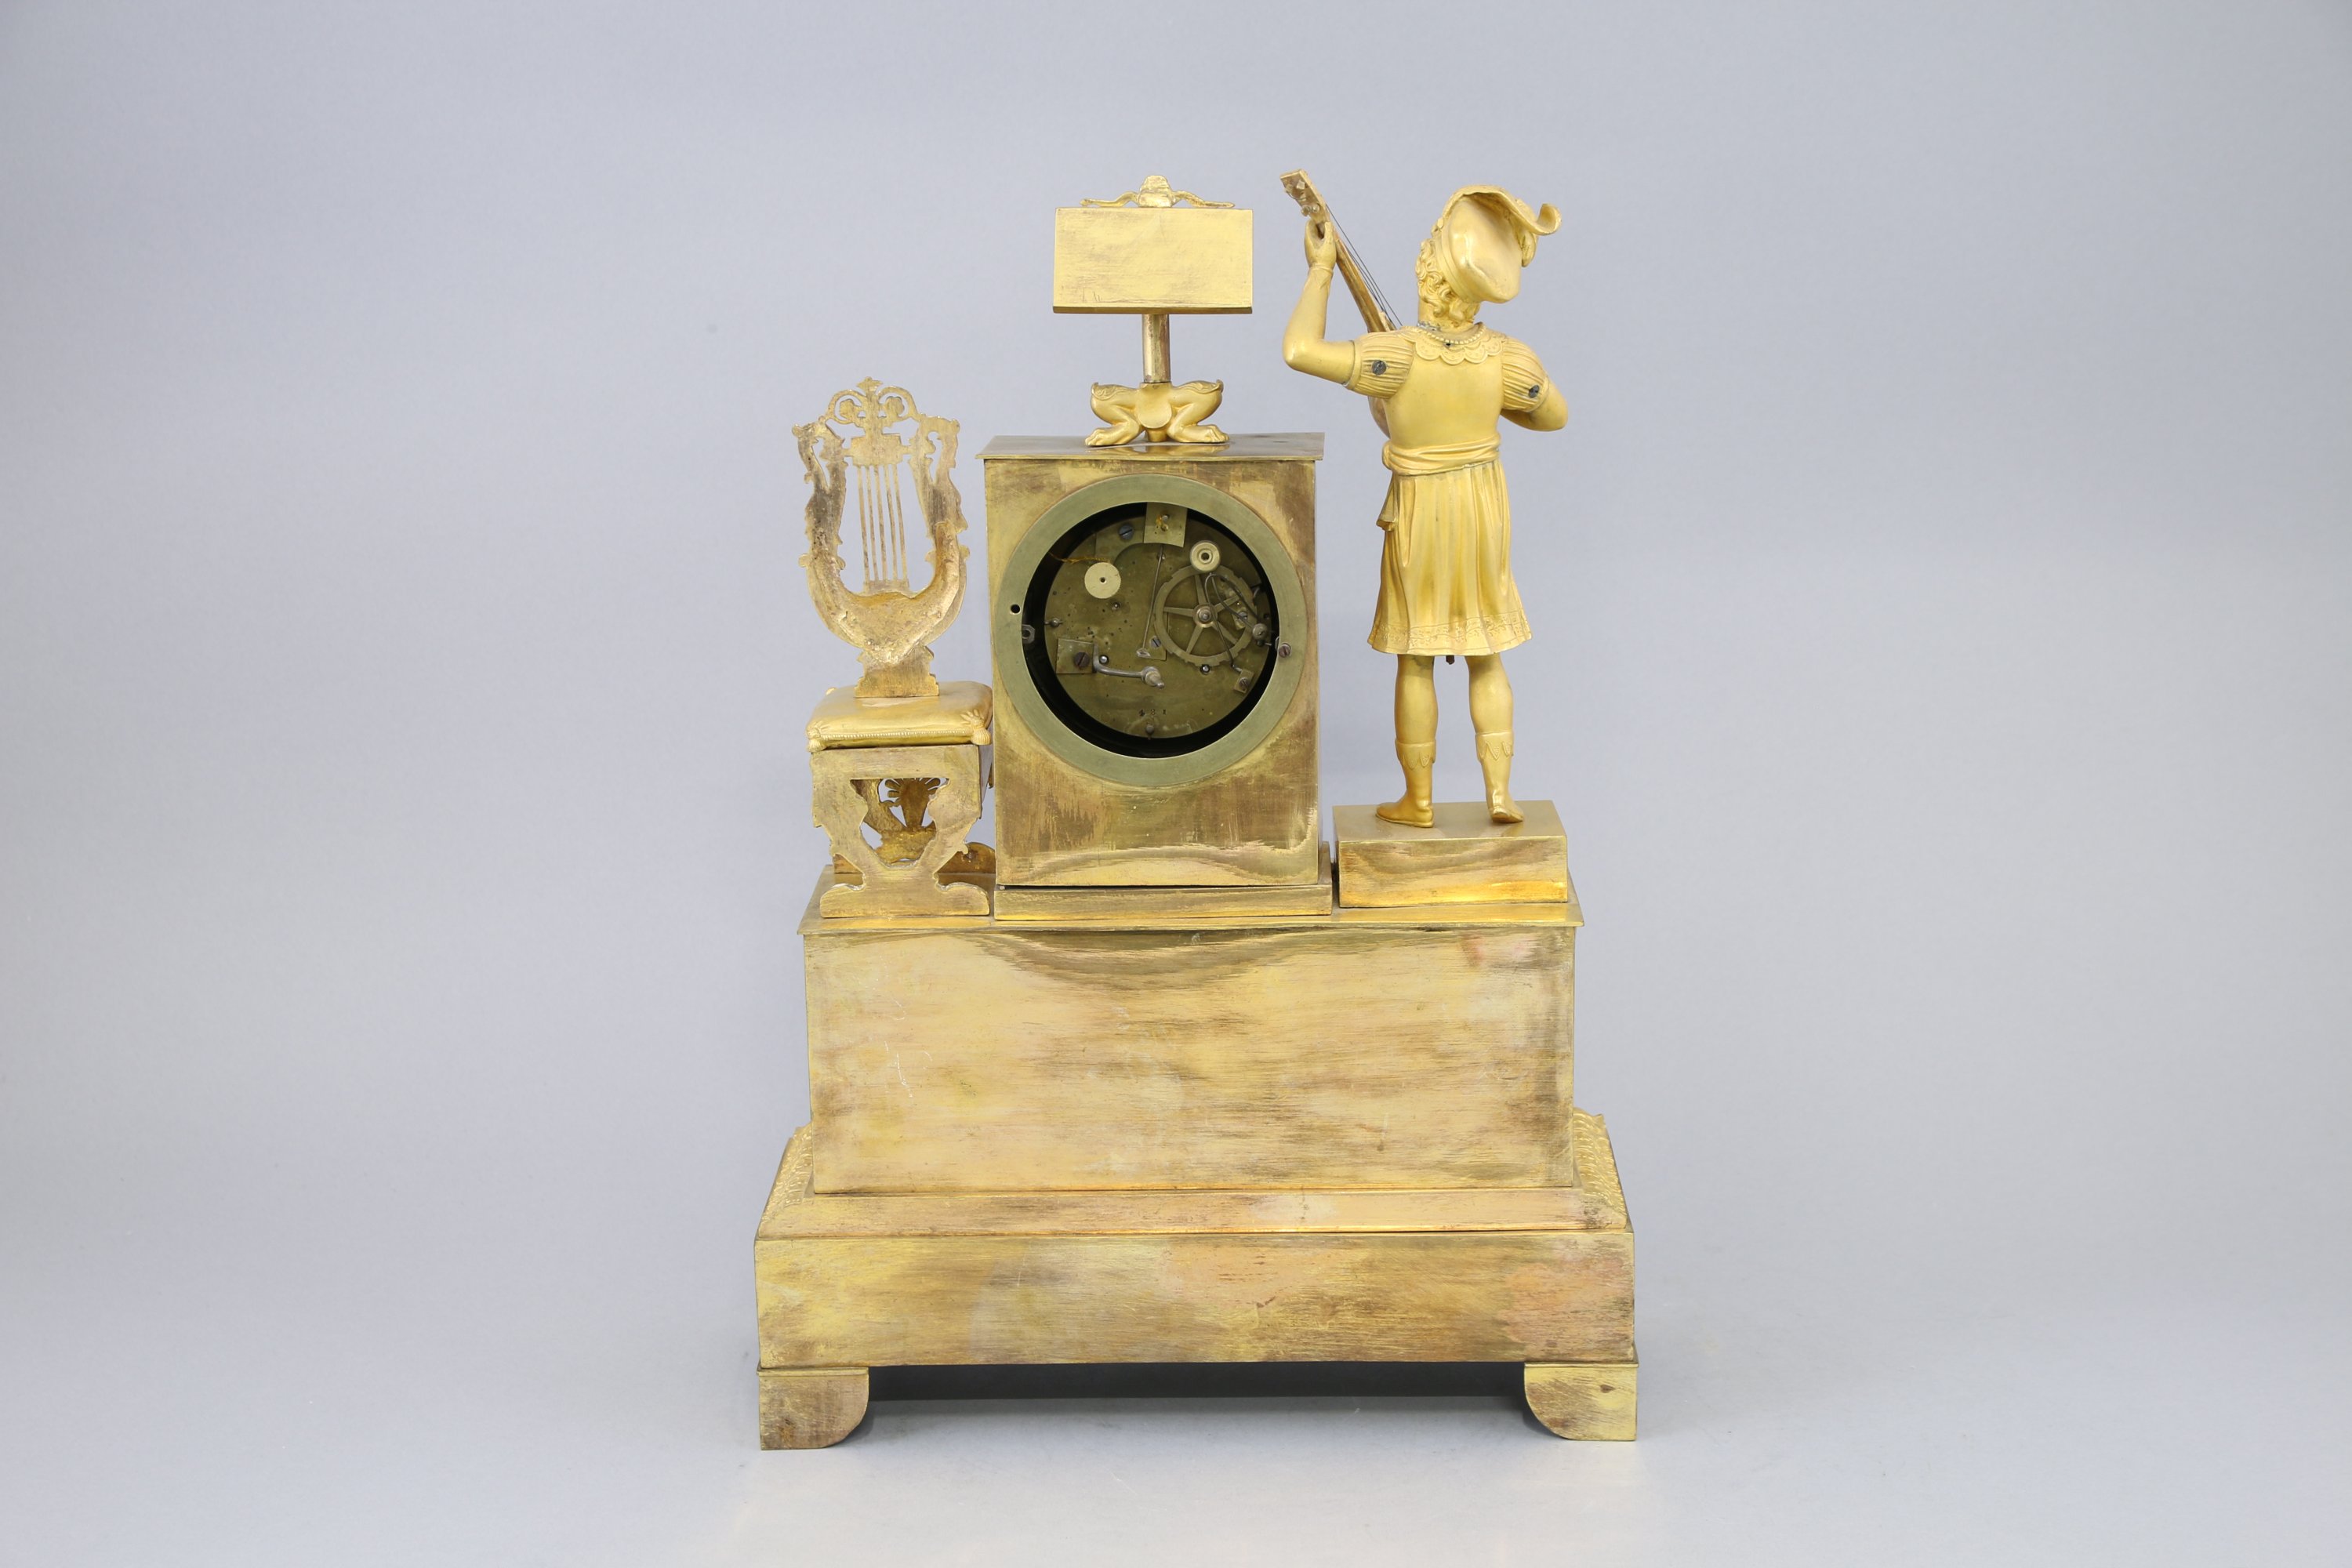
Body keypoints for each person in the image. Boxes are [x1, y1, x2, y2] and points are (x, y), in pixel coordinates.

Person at [1283, 186, 1566, 826]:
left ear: (1426, 270)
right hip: (1483, 509)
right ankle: (1500, 794)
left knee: (1417, 657)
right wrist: (1488, 413)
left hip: (1421, 511)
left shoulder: (1398, 355)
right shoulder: (1506, 356)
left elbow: (1299, 350)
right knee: (1486, 652)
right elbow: (1553, 415)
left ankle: (1420, 800)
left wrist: (1322, 270)